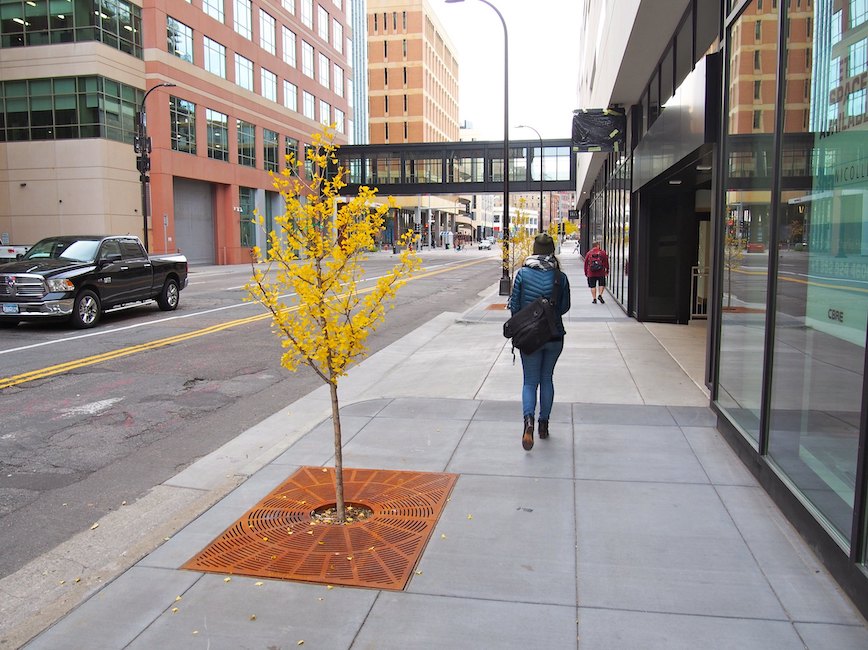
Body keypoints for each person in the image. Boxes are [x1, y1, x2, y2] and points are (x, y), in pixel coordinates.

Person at [508, 233, 571, 451]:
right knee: (547, 379)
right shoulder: (559, 277)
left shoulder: (523, 274)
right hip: (554, 335)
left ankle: (528, 424)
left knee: (529, 381)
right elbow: (564, 307)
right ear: (552, 250)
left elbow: (514, 306)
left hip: (530, 337)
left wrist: (529, 318)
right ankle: (544, 425)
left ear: (534, 249)